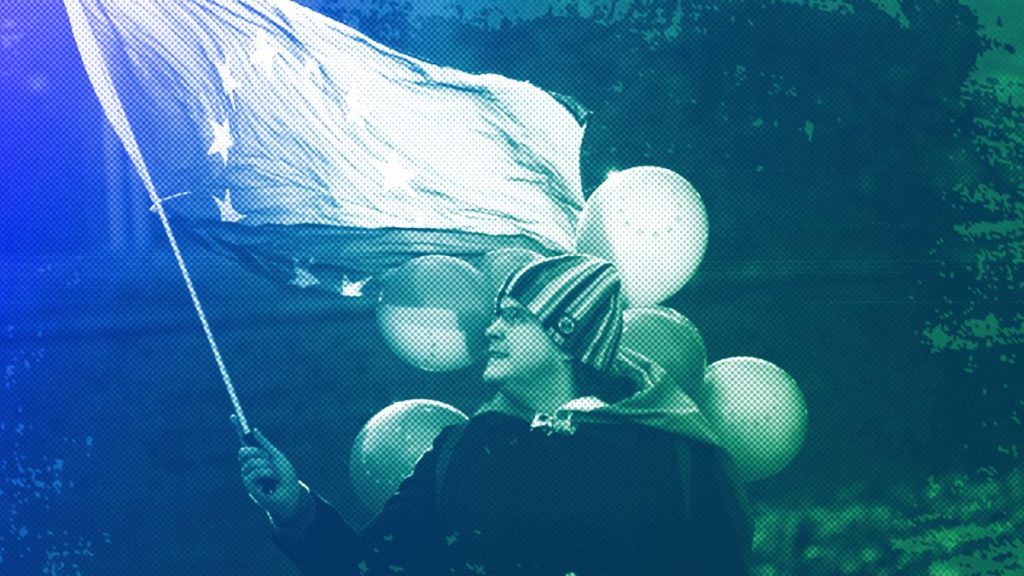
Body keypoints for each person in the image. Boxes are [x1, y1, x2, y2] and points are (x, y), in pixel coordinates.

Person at [237, 254, 753, 575]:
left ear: (565, 336)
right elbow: (373, 569)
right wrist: (295, 510)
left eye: (514, 316)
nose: (492, 329)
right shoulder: (463, 450)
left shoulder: (680, 461)